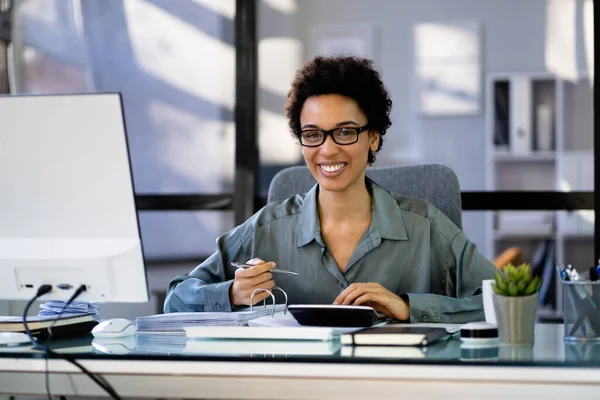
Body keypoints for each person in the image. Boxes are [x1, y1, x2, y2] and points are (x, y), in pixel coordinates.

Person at [164, 55, 498, 323]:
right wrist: (232, 294)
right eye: (313, 134)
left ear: (374, 137)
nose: (327, 150)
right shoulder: (266, 229)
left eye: (345, 132)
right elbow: (176, 299)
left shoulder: (425, 226)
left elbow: (505, 301)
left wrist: (410, 308)